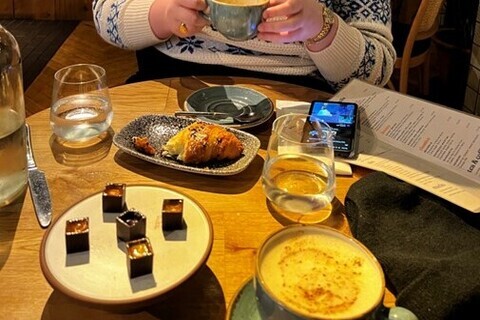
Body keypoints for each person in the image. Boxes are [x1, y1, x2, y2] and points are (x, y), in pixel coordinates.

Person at [92, 0, 396, 93]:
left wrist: (322, 27)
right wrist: (164, 14)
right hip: (171, 86)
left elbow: (376, 71)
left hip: (301, 105)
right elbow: (106, 13)